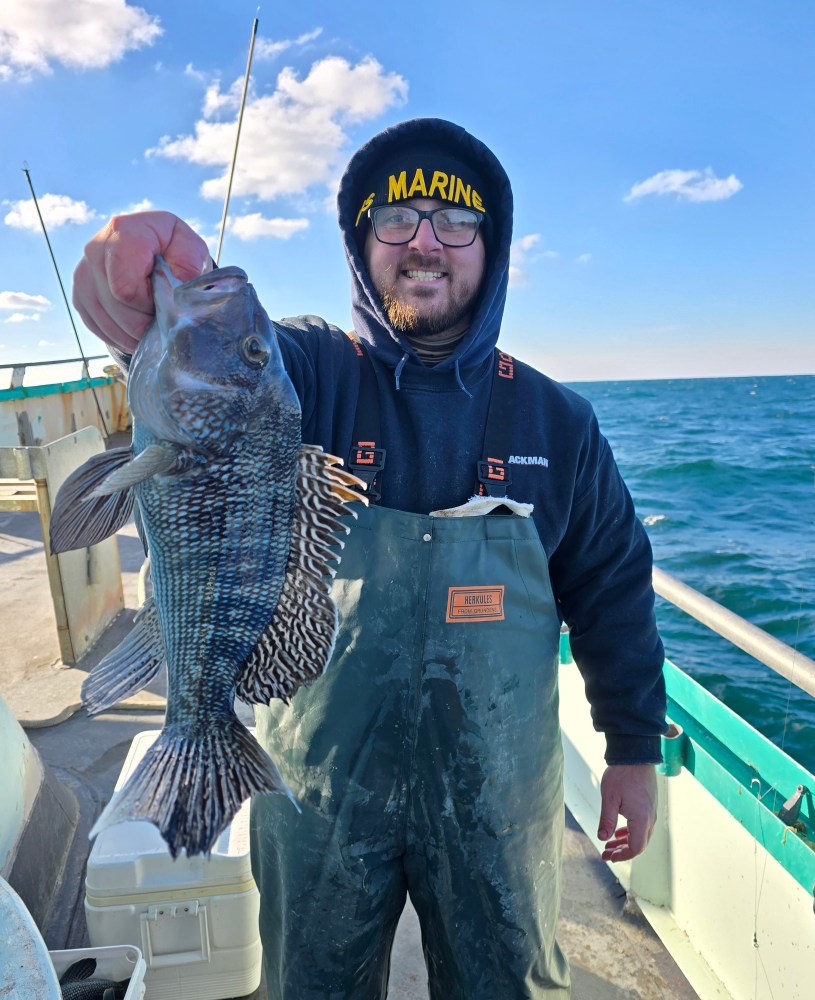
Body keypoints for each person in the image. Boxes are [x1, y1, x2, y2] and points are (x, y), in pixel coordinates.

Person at [74, 117, 667, 999]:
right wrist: (125, 278)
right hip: (313, 786)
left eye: (454, 220)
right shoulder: (303, 371)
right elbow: (210, 374)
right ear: (361, 244)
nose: (425, 240)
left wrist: (631, 749)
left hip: (498, 802)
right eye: (397, 218)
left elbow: (612, 590)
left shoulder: (558, 422)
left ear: (490, 248)